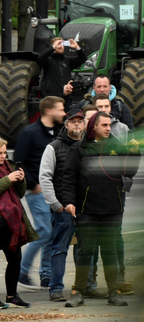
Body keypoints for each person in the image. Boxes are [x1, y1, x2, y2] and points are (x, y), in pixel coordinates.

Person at [66, 112, 133, 308]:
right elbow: (69, 177)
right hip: (87, 208)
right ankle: (78, 291)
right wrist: (69, 201)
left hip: (112, 208)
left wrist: (134, 154)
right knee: (85, 251)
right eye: (104, 125)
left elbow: (129, 172)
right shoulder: (79, 148)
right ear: (93, 126)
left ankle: (114, 292)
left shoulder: (117, 146)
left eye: (109, 125)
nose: (108, 128)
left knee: (110, 251)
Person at [14, 96, 63, 292]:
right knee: (44, 232)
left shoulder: (57, 132)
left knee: (51, 234)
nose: (63, 113)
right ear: (49, 110)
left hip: (52, 190)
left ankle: (46, 276)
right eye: (60, 109)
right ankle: (22, 272)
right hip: (36, 191)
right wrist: (33, 183)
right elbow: (19, 162)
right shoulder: (30, 133)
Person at [38, 105, 87, 302]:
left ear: (84, 124)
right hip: (62, 208)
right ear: (66, 125)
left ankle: (85, 286)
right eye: (73, 121)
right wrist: (55, 205)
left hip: (85, 208)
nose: (77, 125)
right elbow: (45, 177)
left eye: (80, 121)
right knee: (59, 248)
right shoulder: (54, 147)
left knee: (85, 249)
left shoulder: (89, 146)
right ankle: (56, 287)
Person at [0, 136, 31, 307]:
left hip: (10, 222)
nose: (3, 156)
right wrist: (8, 179)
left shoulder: (8, 166)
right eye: (0, 153)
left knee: (15, 259)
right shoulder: (7, 173)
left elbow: (19, 193)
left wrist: (21, 180)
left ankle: (12, 295)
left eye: (4, 153)